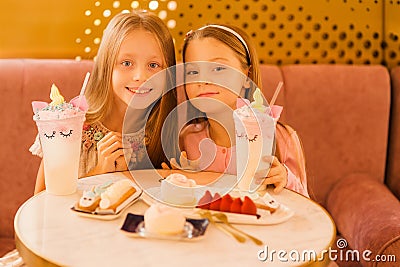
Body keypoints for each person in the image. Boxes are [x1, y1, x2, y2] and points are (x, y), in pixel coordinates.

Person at [31, 10, 178, 194]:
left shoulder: (169, 131)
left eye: (153, 65)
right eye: (126, 63)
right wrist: (100, 172)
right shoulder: (68, 127)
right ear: (106, 66)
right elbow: (41, 201)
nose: (140, 76)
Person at [170, 24, 308, 197]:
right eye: (193, 71)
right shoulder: (186, 139)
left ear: (246, 76)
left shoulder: (282, 139)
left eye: (218, 68)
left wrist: (286, 179)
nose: (203, 80)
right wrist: (179, 180)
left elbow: (306, 208)